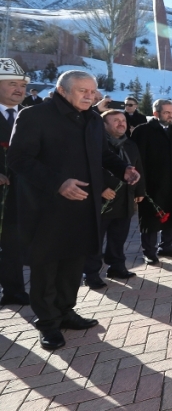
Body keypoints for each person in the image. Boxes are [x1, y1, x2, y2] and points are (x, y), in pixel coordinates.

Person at [8, 70, 140, 350]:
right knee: (47, 265)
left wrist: (123, 168)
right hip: (46, 209)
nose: (90, 96)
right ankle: (47, 323)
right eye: (83, 91)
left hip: (83, 205)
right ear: (62, 90)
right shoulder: (34, 116)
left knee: (73, 262)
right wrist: (58, 183)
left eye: (93, 91)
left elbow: (102, 154)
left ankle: (66, 311)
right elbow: (19, 159)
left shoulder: (92, 119)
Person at [83, 110, 145, 289]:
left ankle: (116, 266)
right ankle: (91, 273)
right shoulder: (96, 145)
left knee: (119, 236)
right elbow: (88, 168)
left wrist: (140, 189)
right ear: (104, 125)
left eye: (123, 120)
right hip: (103, 201)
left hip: (125, 198)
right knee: (96, 239)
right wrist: (101, 189)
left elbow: (139, 167)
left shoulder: (131, 144)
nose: (121, 124)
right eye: (116, 121)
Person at [131, 99, 172, 264]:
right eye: (166, 113)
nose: (171, 116)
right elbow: (137, 160)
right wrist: (139, 186)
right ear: (156, 114)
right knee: (151, 218)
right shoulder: (143, 131)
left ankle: (167, 246)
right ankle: (149, 251)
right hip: (153, 183)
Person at [0, 59, 30, 306]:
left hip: (21, 196)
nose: (19, 89)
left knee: (13, 246)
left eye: (22, 85)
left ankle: (13, 291)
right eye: (12, 84)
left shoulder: (30, 117)